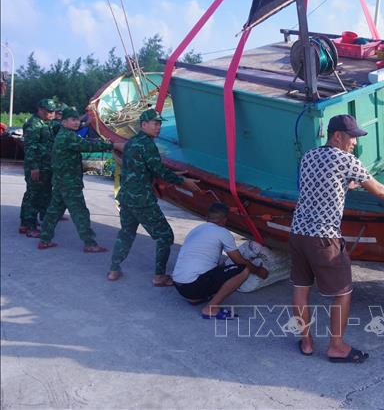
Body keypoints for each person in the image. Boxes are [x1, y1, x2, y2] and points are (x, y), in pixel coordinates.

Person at [290, 114, 384, 363]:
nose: (355, 143)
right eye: (352, 137)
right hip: (324, 239)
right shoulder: (346, 160)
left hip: (297, 233)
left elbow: (320, 183)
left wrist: (347, 185)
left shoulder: (309, 156)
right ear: (337, 136)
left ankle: (306, 342)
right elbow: (379, 190)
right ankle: (336, 346)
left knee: (300, 288)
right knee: (343, 291)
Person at [108, 108, 201, 286]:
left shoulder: (133, 142)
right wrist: (183, 181)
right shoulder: (148, 144)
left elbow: (143, 168)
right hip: (142, 200)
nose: (158, 127)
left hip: (126, 197)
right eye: (155, 124)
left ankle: (114, 269)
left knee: (126, 233)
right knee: (165, 236)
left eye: (159, 124)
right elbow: (158, 170)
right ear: (144, 124)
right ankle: (159, 276)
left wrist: (175, 172)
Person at [37, 107, 124, 252]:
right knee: (80, 214)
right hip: (69, 183)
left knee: (53, 212)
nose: (76, 122)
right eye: (73, 120)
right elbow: (88, 145)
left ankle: (44, 240)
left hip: (61, 181)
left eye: (77, 119)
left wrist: (86, 124)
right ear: (64, 122)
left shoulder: (64, 133)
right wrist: (113, 144)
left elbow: (80, 136)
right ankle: (90, 244)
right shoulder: (68, 137)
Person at [171, 202, 269, 319]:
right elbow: (238, 260)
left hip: (179, 285)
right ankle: (210, 308)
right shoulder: (222, 232)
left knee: (220, 267)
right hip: (192, 286)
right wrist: (258, 270)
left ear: (208, 218)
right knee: (243, 270)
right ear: (225, 220)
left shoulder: (197, 229)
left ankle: (194, 298)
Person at [20, 98, 57, 236]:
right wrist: (34, 167)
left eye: (52, 112)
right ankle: (30, 227)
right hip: (36, 167)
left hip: (45, 166)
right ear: (40, 110)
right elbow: (30, 148)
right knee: (34, 195)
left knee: (36, 194)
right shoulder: (34, 125)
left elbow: (60, 127)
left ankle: (25, 224)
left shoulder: (46, 123)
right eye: (48, 112)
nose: (51, 114)